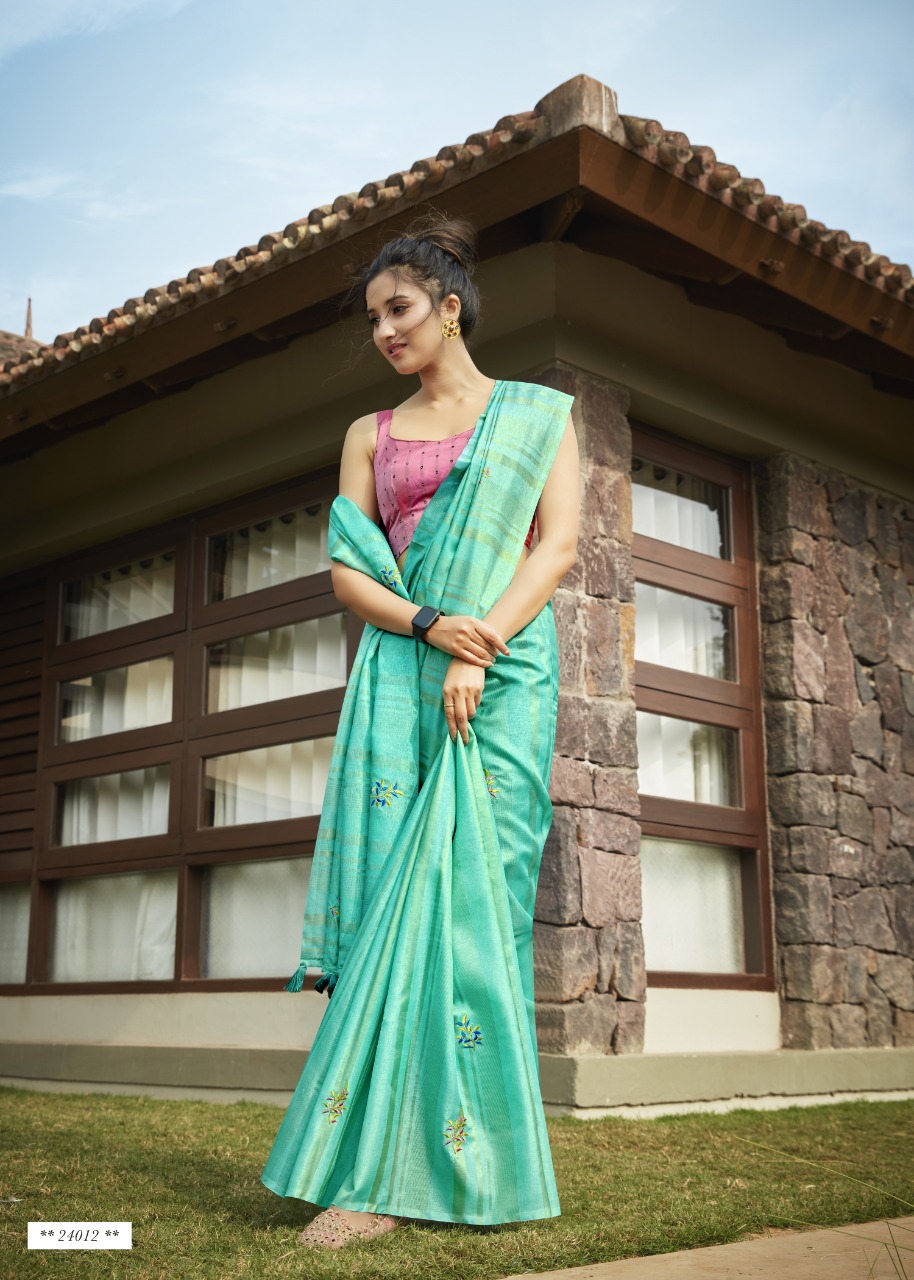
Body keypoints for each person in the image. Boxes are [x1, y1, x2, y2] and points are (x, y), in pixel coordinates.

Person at [259, 212, 580, 1249]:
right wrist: (433, 626)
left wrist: (477, 648)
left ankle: (470, 1158)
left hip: (507, 675)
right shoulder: (370, 434)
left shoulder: (537, 416)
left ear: (449, 307)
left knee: (475, 906)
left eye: (397, 309)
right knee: (396, 905)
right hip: (403, 670)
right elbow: (349, 571)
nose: (384, 331)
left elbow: (555, 545)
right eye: (372, 319)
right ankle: (375, 1171)